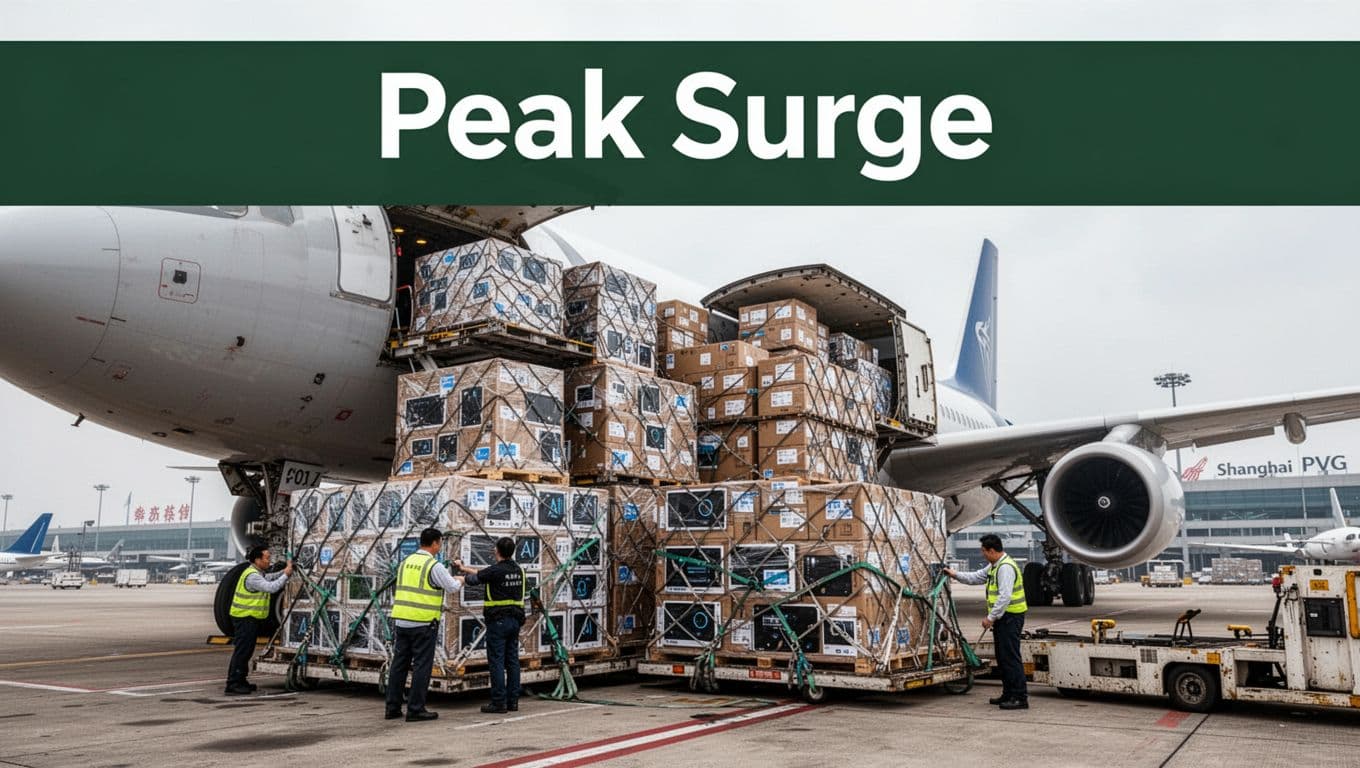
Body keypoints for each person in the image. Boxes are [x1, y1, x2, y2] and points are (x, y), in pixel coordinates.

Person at [944, 533, 1030, 709]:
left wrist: (991, 617)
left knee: (1011, 658)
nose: (982, 554)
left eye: (983, 551)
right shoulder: (994, 566)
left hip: (1010, 618)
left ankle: (1020, 697)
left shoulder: (1005, 567)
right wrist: (954, 574)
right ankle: (1008, 693)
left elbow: (1005, 596)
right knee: (1003, 657)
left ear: (991, 550)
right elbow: (975, 577)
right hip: (1003, 619)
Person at [386, 527, 461, 722]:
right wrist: (460, 579)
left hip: (402, 621)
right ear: (435, 543)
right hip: (423, 622)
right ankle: (415, 709)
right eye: (440, 543)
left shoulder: (405, 562)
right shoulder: (432, 565)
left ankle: (392, 707)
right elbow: (451, 587)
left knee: (399, 665)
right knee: (421, 666)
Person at [454, 537, 526, 714]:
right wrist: (464, 568)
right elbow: (484, 573)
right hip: (515, 621)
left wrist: (460, 578)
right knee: (512, 661)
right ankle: (512, 701)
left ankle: (498, 702)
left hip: (498, 622)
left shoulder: (496, 571)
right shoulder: (519, 570)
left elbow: (476, 578)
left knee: (497, 662)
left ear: (497, 551)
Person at [226, 545, 292, 695]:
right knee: (242, 652)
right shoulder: (253, 576)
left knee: (246, 651)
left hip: (250, 619)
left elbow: (270, 577)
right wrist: (286, 575)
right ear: (257, 559)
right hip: (245, 618)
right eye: (267, 558)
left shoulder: (258, 573)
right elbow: (272, 587)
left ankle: (241, 680)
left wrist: (284, 571)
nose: (270, 561)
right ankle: (233, 683)